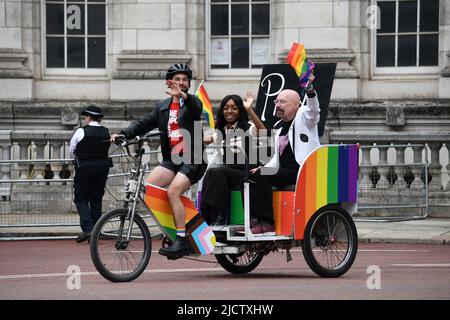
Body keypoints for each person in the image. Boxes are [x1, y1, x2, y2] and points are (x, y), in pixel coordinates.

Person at [110, 63, 206, 259]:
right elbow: (143, 123)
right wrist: (123, 134)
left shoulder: (192, 103)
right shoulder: (162, 107)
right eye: (177, 79)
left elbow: (196, 107)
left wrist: (183, 95)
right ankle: (173, 229)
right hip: (172, 160)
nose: (181, 83)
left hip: (193, 159)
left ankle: (181, 240)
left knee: (173, 191)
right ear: (168, 82)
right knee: (148, 189)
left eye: (185, 80)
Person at [248, 74, 320, 235]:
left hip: (301, 171)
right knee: (250, 175)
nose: (278, 105)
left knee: (261, 175)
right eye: (276, 102)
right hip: (284, 172)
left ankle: (267, 223)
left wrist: (310, 90)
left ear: (296, 104)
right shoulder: (280, 127)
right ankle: (254, 220)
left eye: (282, 102)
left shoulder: (304, 118)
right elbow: (276, 157)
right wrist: (263, 167)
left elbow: (314, 111)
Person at [200, 92, 265, 225]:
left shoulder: (248, 127)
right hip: (228, 173)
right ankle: (207, 216)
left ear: (240, 110)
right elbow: (204, 139)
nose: (229, 111)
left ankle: (221, 215)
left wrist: (249, 110)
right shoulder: (221, 131)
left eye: (234, 108)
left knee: (216, 172)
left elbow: (263, 132)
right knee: (209, 175)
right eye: (226, 108)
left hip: (248, 171)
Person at [69, 105, 111, 243]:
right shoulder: (106, 132)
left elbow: (72, 150)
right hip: (102, 167)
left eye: (85, 116)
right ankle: (96, 230)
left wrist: (76, 159)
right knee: (96, 199)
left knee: (81, 198)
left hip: (85, 167)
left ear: (88, 117)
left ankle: (88, 229)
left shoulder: (81, 131)